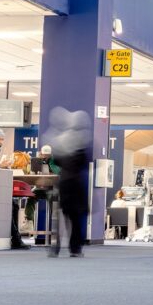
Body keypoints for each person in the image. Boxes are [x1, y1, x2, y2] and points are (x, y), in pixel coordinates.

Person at [45, 108, 92, 258]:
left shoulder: (60, 139)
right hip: (77, 185)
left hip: (64, 183)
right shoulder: (83, 140)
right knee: (76, 219)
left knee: (61, 218)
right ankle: (75, 249)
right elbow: (86, 162)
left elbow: (57, 161)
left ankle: (55, 248)